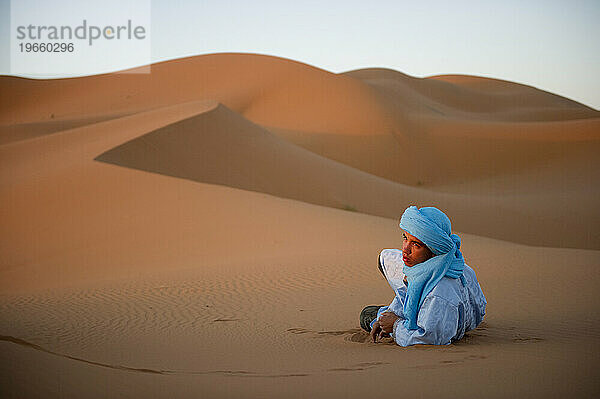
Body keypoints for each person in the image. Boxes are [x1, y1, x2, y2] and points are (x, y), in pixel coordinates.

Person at [359, 205, 486, 346]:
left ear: (434, 251)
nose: (405, 249)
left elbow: (427, 339)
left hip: (442, 320)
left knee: (366, 316)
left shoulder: (438, 294)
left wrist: (394, 325)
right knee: (384, 262)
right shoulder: (456, 265)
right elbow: (409, 291)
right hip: (448, 312)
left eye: (416, 244)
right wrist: (390, 313)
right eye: (405, 238)